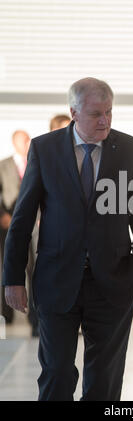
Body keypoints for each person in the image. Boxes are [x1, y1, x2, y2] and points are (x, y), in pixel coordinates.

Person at [2, 77, 133, 401]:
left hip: (114, 282)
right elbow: (22, 219)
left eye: (109, 113)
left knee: (104, 380)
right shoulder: (45, 149)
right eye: (96, 114)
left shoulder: (130, 149)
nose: (105, 121)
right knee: (57, 373)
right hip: (56, 279)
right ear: (73, 111)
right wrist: (13, 278)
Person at [0, 130, 39, 336]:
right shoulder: (3, 165)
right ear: (14, 142)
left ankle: (34, 318)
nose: (27, 142)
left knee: (35, 269)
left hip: (34, 225)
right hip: (9, 224)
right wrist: (2, 215)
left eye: (28, 139)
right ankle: (6, 314)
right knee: (8, 267)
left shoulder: (37, 160)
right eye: (23, 140)